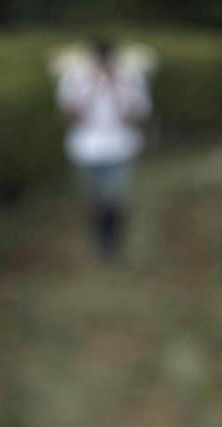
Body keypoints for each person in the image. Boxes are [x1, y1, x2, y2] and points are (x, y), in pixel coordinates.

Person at [56, 37, 151, 260]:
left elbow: (138, 115)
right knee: (92, 198)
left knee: (114, 197)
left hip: (121, 148)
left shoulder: (130, 78)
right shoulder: (75, 78)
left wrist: (116, 88)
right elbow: (70, 115)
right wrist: (90, 90)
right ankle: (100, 237)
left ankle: (111, 242)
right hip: (84, 150)